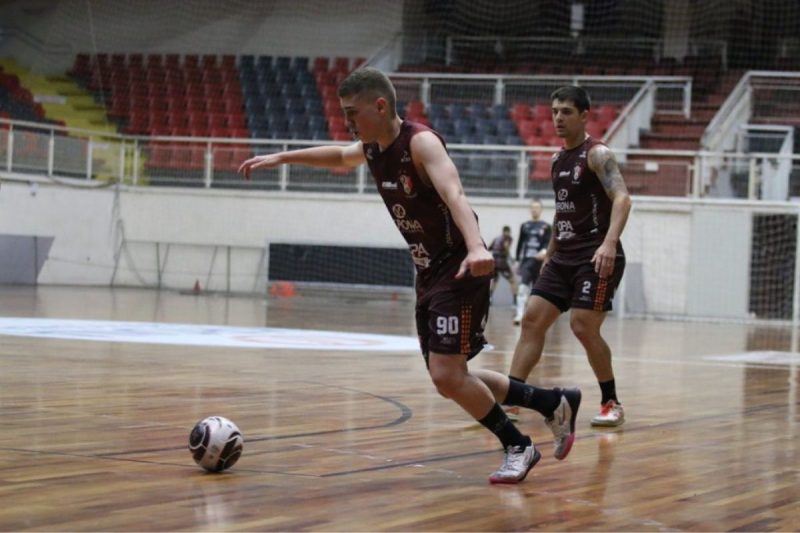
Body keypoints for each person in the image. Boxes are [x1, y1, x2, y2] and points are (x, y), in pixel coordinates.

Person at [239, 68, 581, 483]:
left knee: (446, 374)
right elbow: (339, 157)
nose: (348, 121)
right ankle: (552, 402)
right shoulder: (370, 147)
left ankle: (518, 445)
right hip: (427, 272)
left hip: (459, 265)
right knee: (452, 376)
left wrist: (476, 246)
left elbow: (455, 193)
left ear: (380, 106)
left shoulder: (419, 142)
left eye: (353, 112)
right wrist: (282, 157)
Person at [509, 85, 631, 428]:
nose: (559, 118)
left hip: (596, 255)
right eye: (555, 112)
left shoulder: (598, 154)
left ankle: (611, 402)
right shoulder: (557, 159)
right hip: (563, 256)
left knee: (582, 325)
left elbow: (623, 199)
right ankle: (512, 400)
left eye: (566, 111)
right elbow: (562, 213)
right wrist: (551, 252)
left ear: (583, 116)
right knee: (533, 318)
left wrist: (609, 243)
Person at [513, 199, 551, 325]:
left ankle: (536, 316)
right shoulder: (525, 226)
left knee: (537, 291)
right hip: (526, 262)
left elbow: (548, 243)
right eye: (532, 207)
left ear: (541, 210)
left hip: (539, 263)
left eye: (537, 207)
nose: (534, 209)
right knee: (522, 287)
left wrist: (545, 252)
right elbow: (520, 244)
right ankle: (519, 315)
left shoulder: (546, 226)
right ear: (530, 209)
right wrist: (517, 260)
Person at [488, 225, 518, 304]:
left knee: (495, 280)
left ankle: (490, 298)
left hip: (495, 262)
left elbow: (489, 248)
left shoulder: (496, 238)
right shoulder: (508, 238)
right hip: (502, 262)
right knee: (512, 280)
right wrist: (511, 259)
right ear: (508, 232)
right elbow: (506, 247)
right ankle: (515, 300)